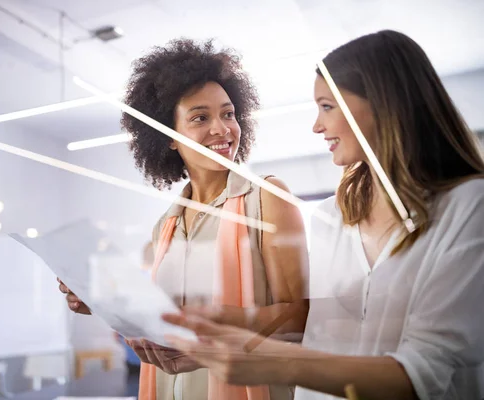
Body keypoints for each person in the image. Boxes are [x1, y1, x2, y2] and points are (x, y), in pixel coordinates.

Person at [162, 30, 484, 400]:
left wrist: (274, 361)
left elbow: (426, 370)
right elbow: (319, 327)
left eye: (327, 106)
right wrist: (213, 331)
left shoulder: (468, 207)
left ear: (385, 104)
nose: (317, 125)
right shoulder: (333, 214)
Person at [58, 38, 309, 400]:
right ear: (170, 137)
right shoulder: (167, 225)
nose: (223, 129)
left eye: (228, 113)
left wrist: (212, 340)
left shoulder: (267, 198)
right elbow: (162, 317)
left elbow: (300, 317)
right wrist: (101, 302)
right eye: (200, 118)